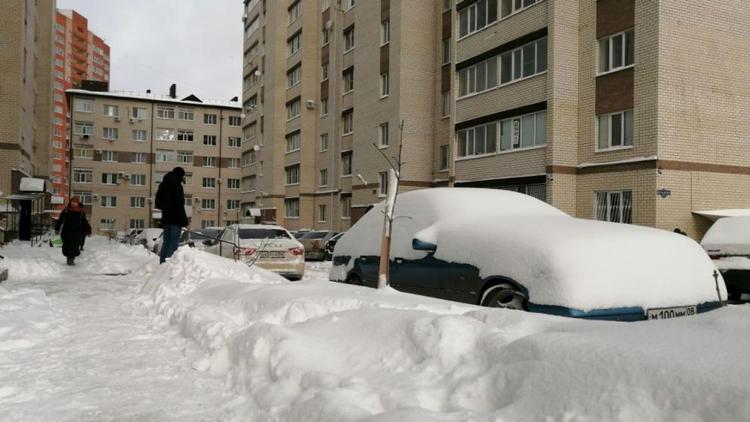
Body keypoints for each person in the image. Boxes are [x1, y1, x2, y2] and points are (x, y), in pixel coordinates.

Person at [156, 166, 189, 263]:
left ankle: (162, 264)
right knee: (173, 243)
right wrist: (185, 222)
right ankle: (169, 265)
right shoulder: (177, 186)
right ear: (180, 175)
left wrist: (166, 208)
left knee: (166, 242)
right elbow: (179, 205)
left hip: (165, 219)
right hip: (175, 220)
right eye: (183, 176)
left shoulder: (162, 185)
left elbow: (158, 203)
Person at [54, 196, 91, 266]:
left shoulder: (81, 211)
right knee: (66, 246)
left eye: (75, 203)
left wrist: (88, 230)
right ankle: (69, 259)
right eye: (72, 202)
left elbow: (84, 221)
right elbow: (60, 220)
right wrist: (57, 228)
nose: (73, 204)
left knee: (74, 246)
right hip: (66, 231)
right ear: (70, 202)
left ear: (78, 203)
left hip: (76, 232)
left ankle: (71, 259)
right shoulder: (66, 210)